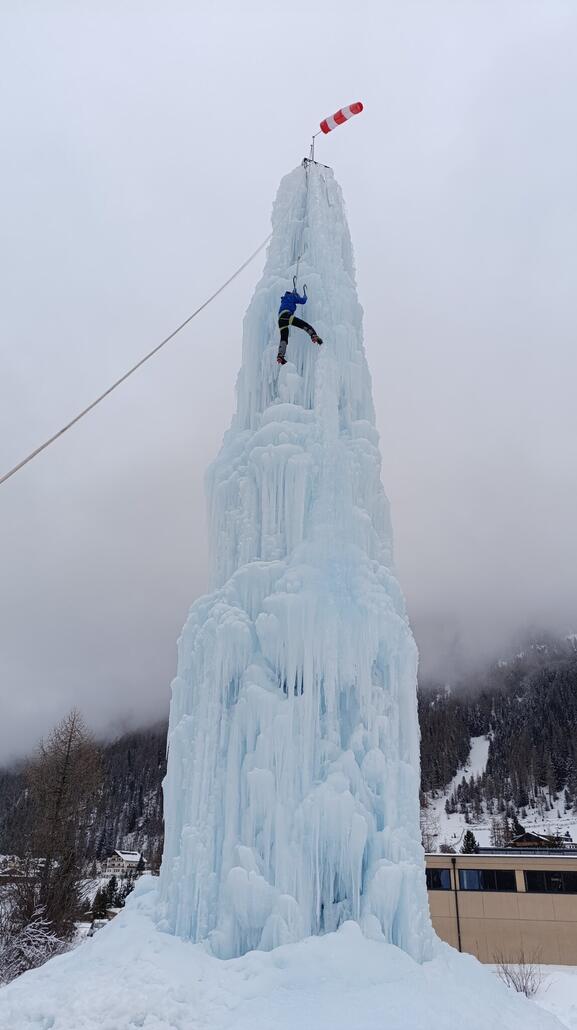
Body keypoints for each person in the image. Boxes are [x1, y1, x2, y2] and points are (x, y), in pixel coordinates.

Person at [277, 285, 323, 365]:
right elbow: (303, 301)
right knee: (303, 324)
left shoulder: (284, 299)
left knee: (284, 338)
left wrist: (294, 294)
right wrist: (305, 294)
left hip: (280, 320)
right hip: (286, 316)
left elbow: (290, 300)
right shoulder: (293, 297)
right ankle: (313, 335)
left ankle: (280, 355)